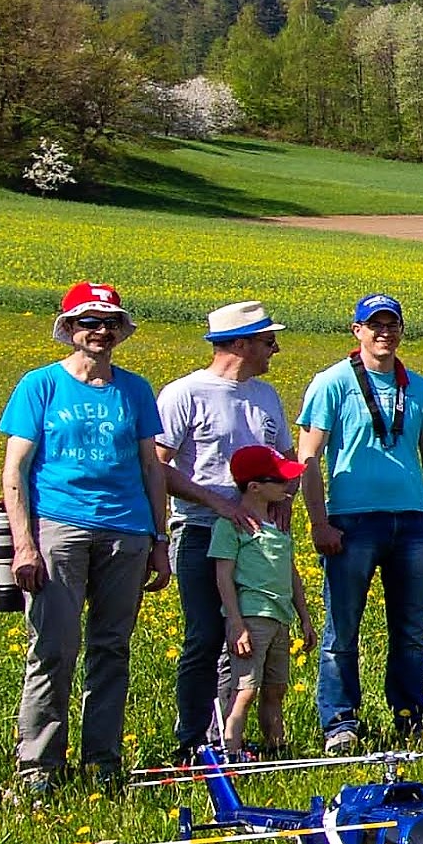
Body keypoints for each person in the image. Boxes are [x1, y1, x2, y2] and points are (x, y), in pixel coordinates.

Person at [1, 283, 192, 791]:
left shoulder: (135, 389)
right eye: (89, 322)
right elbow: (15, 469)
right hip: (59, 527)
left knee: (112, 649)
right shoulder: (40, 386)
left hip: (126, 530)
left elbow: (152, 468)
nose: (100, 332)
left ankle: (102, 762)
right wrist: (24, 543)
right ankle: (39, 768)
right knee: (53, 648)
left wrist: (158, 539)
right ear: (69, 330)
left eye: (109, 323)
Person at [298, 295, 423, 748]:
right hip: (351, 523)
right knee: (343, 630)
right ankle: (340, 722)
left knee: (411, 632)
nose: (384, 333)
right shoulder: (332, 383)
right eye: (373, 325)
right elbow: (309, 458)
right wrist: (319, 523)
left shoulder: (416, 386)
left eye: (391, 324)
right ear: (356, 331)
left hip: (412, 522)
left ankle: (410, 713)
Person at [153, 303, 284, 761]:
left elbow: (280, 458)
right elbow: (158, 467)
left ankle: (232, 735)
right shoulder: (184, 394)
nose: (275, 350)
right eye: (268, 342)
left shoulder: (266, 395)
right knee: (206, 635)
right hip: (200, 529)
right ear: (241, 343)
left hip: (257, 538)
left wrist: (282, 503)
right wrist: (220, 504)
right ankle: (193, 740)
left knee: (246, 633)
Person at [207, 445, 310, 757]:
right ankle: (230, 752)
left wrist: (303, 616)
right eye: (279, 481)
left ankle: (276, 749)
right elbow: (223, 576)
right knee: (245, 690)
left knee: (276, 689)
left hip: (281, 618)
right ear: (255, 487)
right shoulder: (231, 526)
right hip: (252, 617)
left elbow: (291, 573)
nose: (286, 487)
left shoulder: (278, 527)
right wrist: (236, 623)